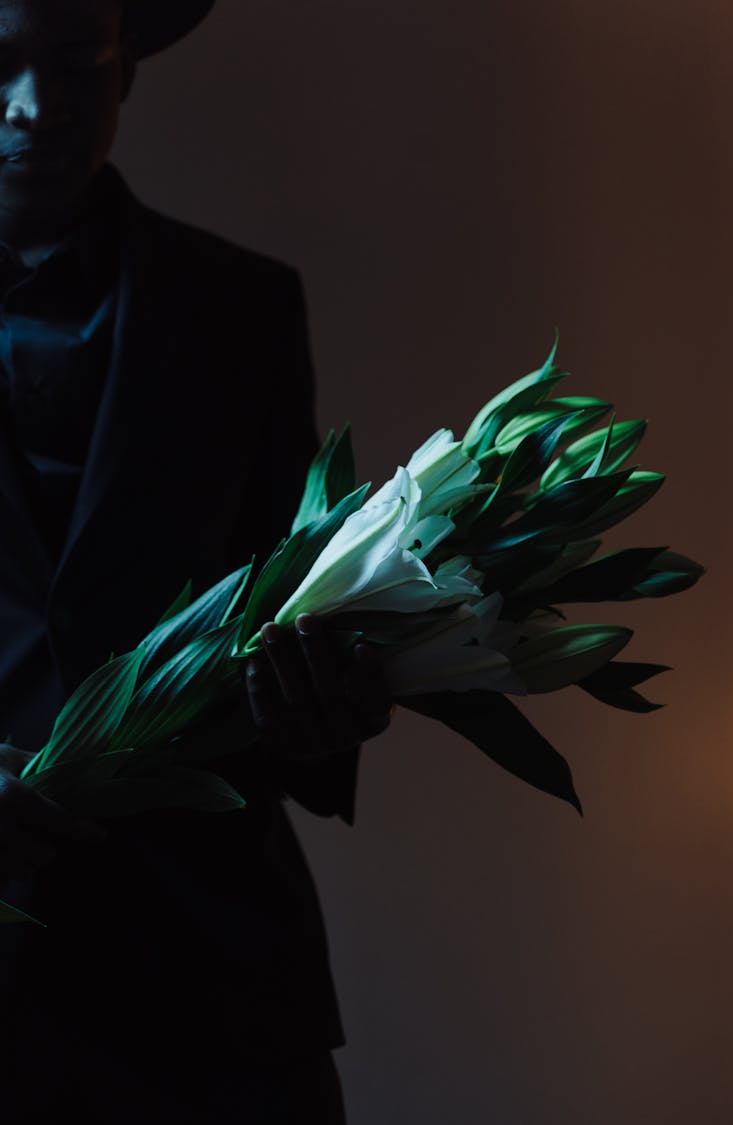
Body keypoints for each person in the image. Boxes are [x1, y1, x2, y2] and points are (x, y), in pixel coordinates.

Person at [0, 2, 392, 1121]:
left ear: (128, 61)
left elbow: (291, 622)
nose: (38, 107)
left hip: (212, 995)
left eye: (76, 60)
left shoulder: (243, 308)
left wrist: (339, 698)